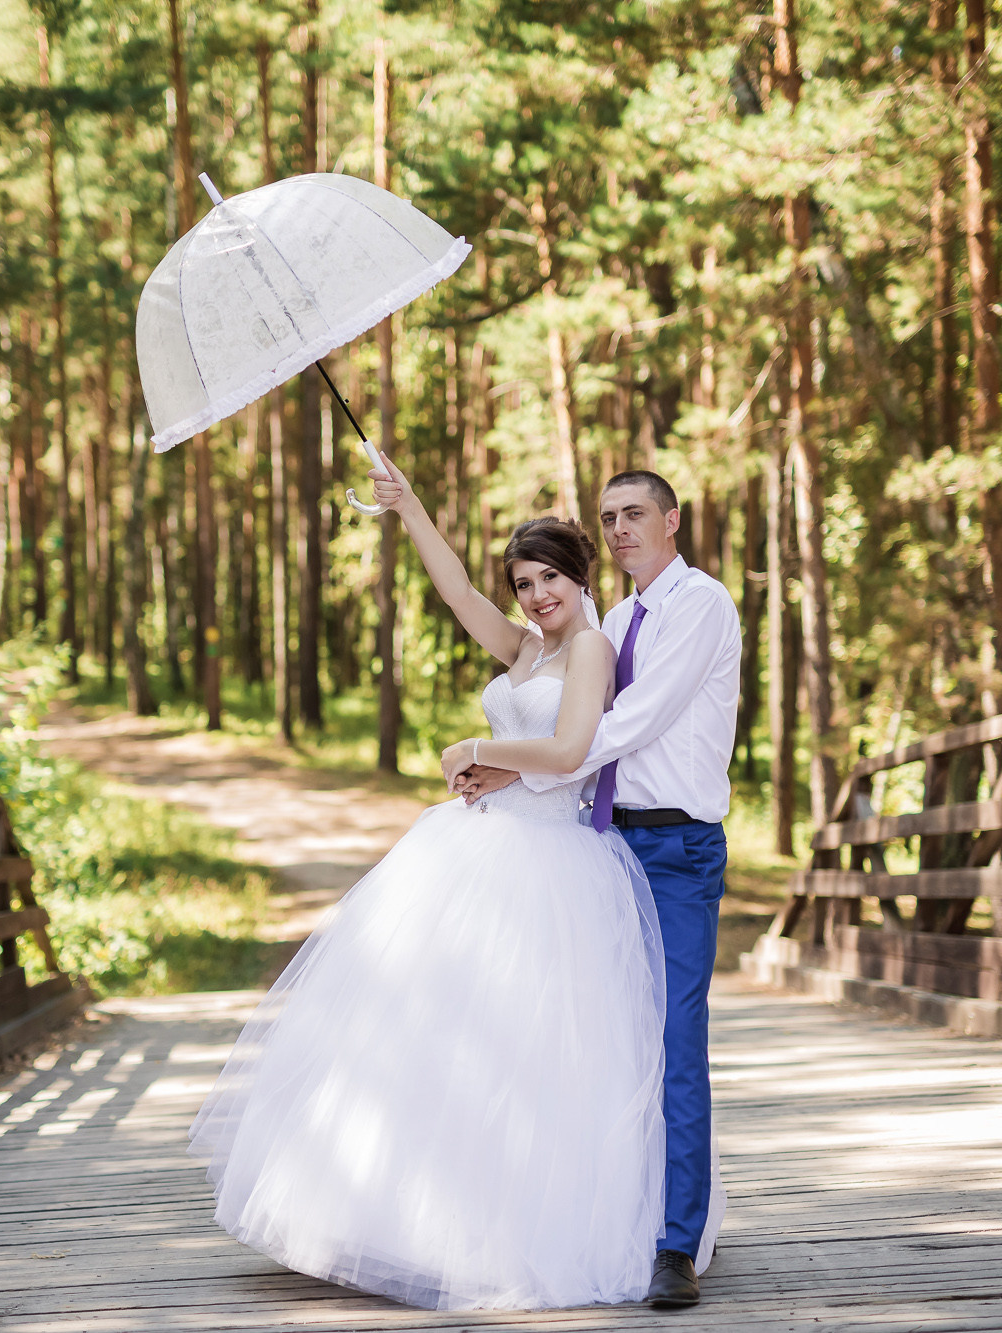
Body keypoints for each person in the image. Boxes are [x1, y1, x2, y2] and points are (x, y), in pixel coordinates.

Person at [188, 458, 698, 1310]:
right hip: (474, 849)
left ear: (581, 579)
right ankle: (403, 1220)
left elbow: (571, 753)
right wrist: (408, 505)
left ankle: (515, 1233)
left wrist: (478, 751)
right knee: (438, 1036)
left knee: (530, 1051)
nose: (535, 597)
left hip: (552, 867)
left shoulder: (593, 648)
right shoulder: (527, 646)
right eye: (525, 583)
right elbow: (459, 592)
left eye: (549, 580)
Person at [449, 469, 741, 1309]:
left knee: (675, 1042)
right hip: (606, 843)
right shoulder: (612, 618)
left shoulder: (700, 605)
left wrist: (513, 762)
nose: (619, 529)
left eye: (635, 514)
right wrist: (533, 770)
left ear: (672, 520)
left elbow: (621, 726)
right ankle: (615, 1213)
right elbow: (575, 741)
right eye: (608, 517)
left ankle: (675, 1242)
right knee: (607, 1044)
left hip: (679, 846)